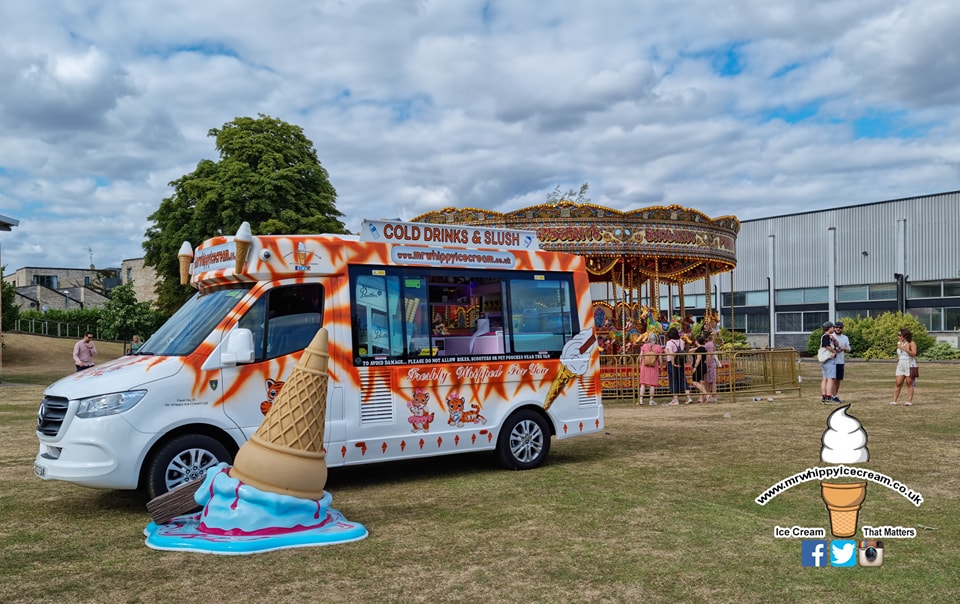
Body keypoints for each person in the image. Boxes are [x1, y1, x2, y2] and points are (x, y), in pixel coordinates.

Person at [664, 327, 692, 405]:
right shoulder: (681, 341)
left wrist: (673, 362)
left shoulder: (669, 342)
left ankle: (675, 399)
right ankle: (688, 397)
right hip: (681, 362)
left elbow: (671, 353)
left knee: (673, 380)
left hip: (672, 362)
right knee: (683, 378)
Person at [891, 328, 917, 406]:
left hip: (909, 363)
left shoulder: (911, 343)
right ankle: (894, 400)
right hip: (901, 364)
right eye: (898, 335)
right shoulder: (899, 343)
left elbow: (914, 354)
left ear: (905, 336)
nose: (898, 336)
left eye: (900, 335)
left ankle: (909, 401)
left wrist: (906, 349)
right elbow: (899, 353)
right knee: (898, 383)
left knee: (909, 383)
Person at [638, 333, 662, 406]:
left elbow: (640, 356)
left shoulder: (644, 346)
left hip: (644, 366)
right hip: (654, 366)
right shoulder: (658, 347)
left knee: (643, 383)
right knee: (652, 384)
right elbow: (660, 358)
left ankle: (641, 399)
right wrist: (661, 365)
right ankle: (651, 400)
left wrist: (640, 364)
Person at [819, 321, 839, 404]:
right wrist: (834, 351)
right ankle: (828, 397)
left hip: (824, 360)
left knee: (825, 378)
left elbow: (837, 344)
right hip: (829, 360)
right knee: (830, 379)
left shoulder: (828, 337)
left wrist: (834, 339)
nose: (834, 328)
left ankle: (824, 396)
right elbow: (827, 346)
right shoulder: (826, 336)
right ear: (829, 328)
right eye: (832, 327)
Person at [832, 322, 851, 401]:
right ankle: (832, 395)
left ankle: (835, 395)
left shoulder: (845, 338)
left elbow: (849, 349)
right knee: (832, 379)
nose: (838, 329)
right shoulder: (831, 336)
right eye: (836, 327)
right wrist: (835, 349)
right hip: (832, 361)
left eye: (840, 327)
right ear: (834, 328)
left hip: (840, 361)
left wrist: (844, 349)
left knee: (838, 379)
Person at [703, 331, 719, 403]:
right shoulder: (711, 343)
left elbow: (709, 355)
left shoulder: (709, 344)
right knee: (709, 380)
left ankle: (713, 396)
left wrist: (706, 364)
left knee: (711, 381)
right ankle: (708, 395)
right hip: (711, 363)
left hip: (710, 364)